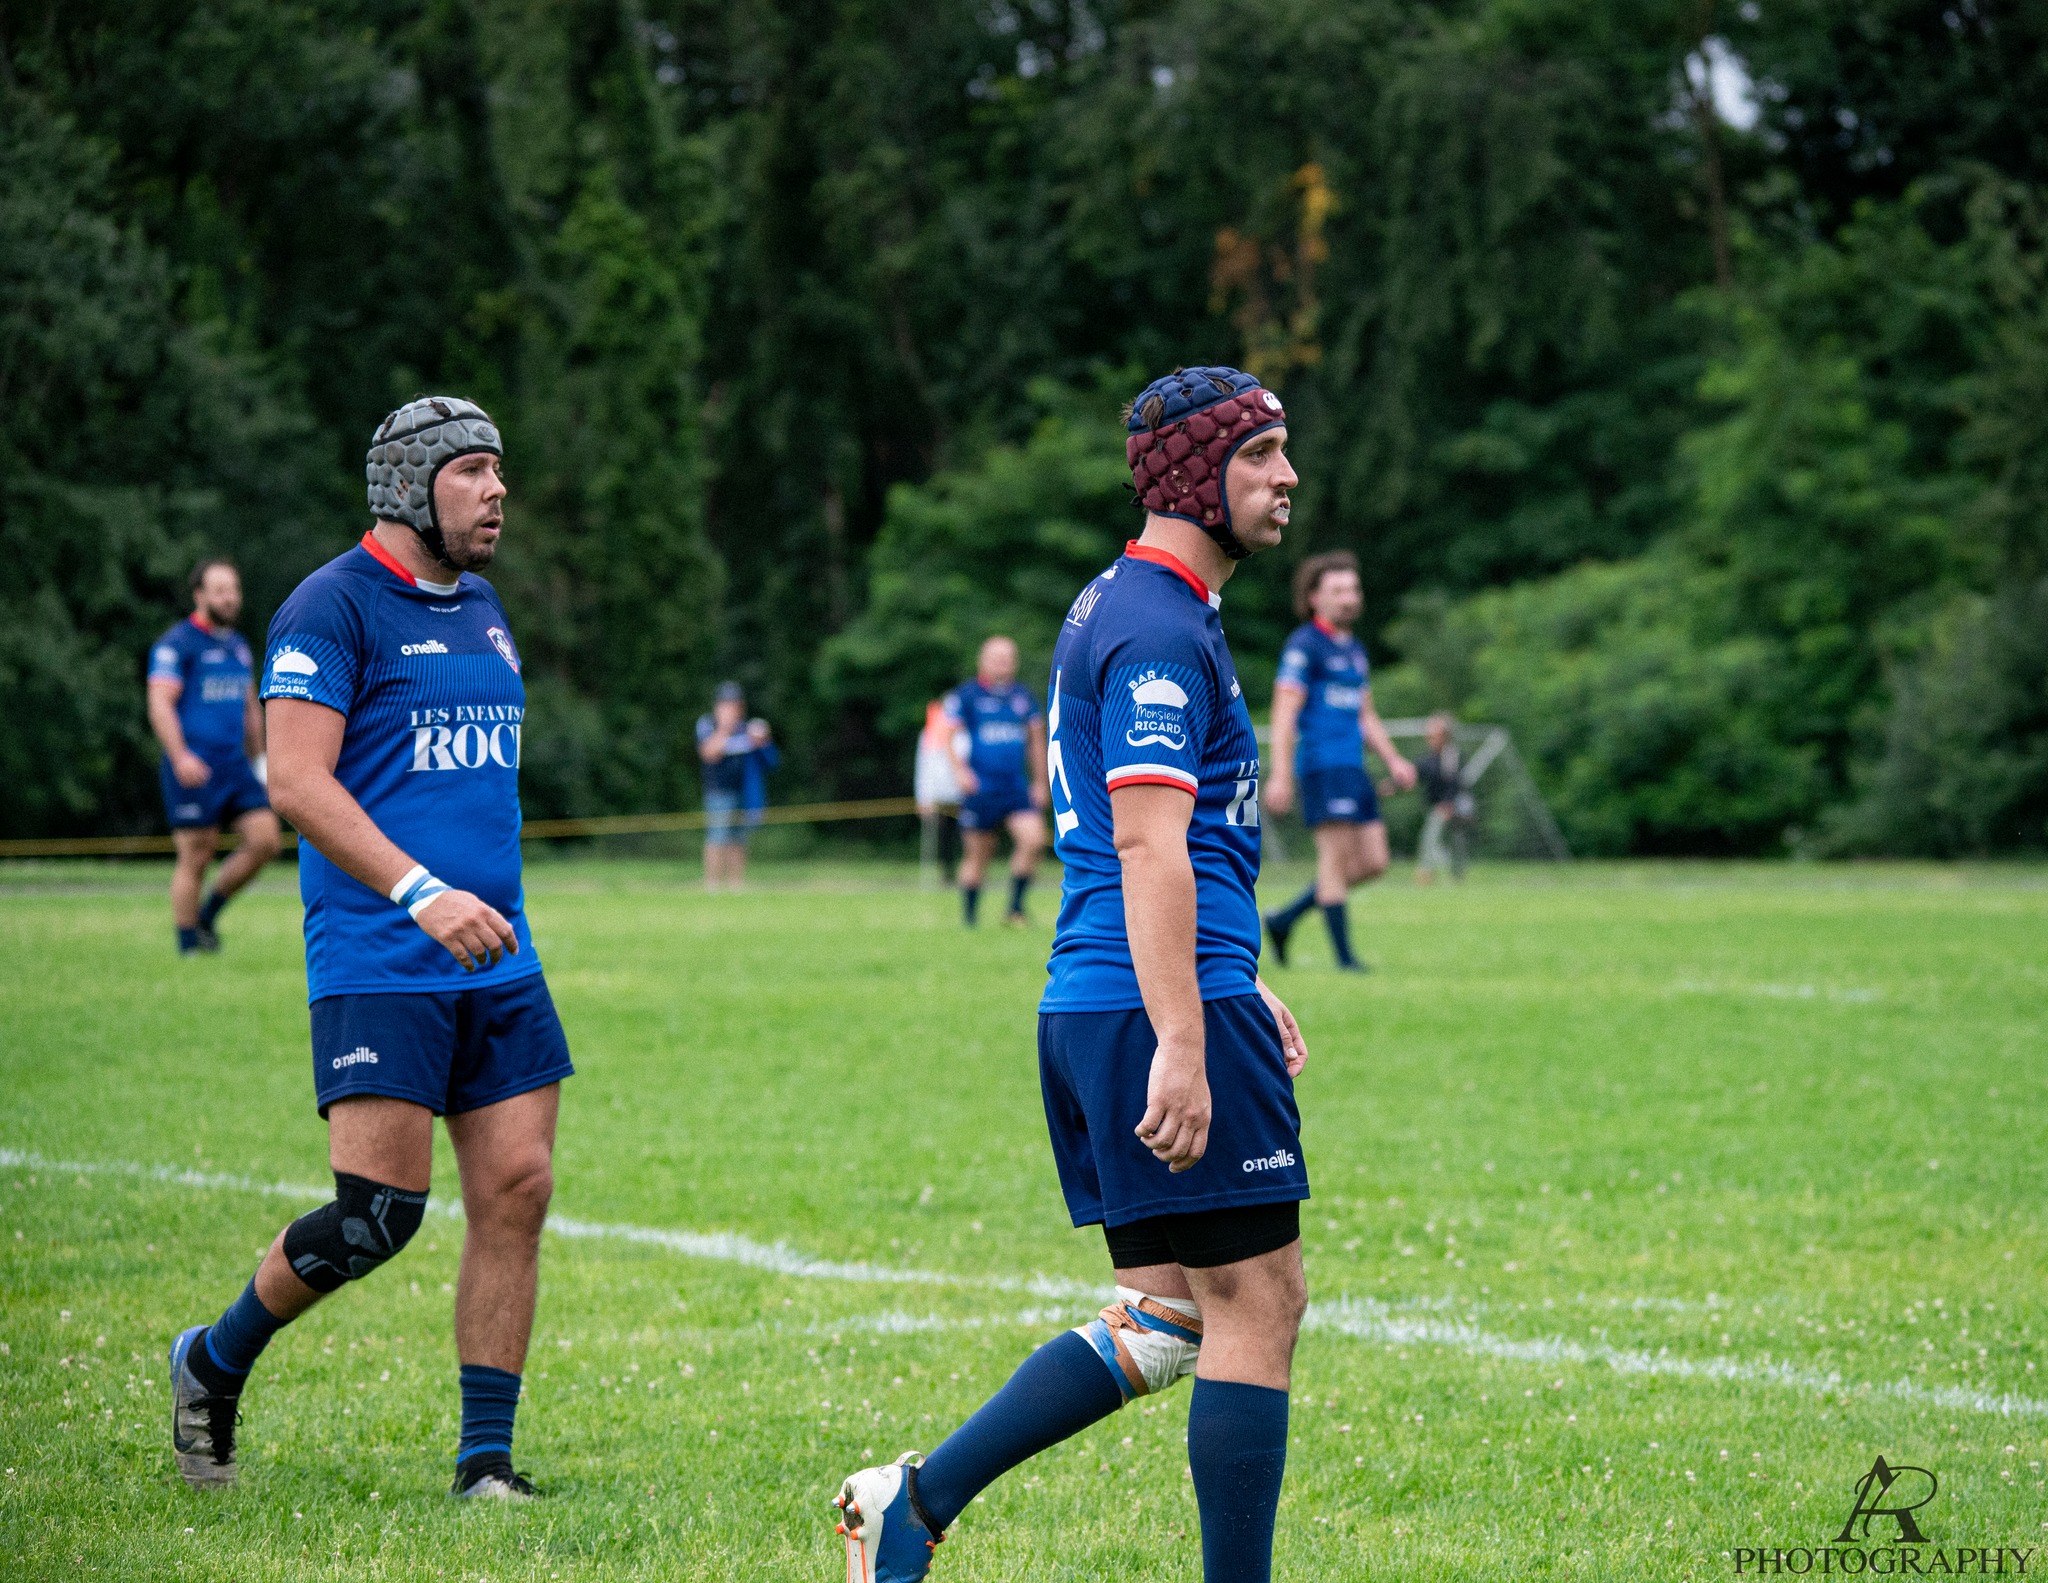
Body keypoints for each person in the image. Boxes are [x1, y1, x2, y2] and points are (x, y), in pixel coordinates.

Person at [833, 367, 1311, 1583]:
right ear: (1195, 475)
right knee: (1257, 1299)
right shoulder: (1155, 624)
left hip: (1106, 994)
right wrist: (1187, 1033)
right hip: (1151, 1005)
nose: (1286, 477)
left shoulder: (1127, 600)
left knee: (1169, 1313)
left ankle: (914, 1502)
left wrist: (1230, 976)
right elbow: (1146, 843)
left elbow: (1147, 844)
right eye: (1260, 455)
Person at [169, 397, 574, 1502]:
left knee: (519, 1187)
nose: (497, 490)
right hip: (380, 953)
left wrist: (471, 896)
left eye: (499, 469)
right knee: (376, 1216)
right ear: (408, 486)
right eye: (473, 470)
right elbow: (296, 781)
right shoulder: (328, 606)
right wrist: (421, 891)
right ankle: (212, 1360)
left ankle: (484, 1464)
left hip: (498, 954)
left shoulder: (483, 606)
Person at [1260, 550, 1416, 972]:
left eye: (1353, 589)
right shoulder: (1305, 646)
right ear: (1314, 598)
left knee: (1373, 863)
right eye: (1338, 591)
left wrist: (1394, 760)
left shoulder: (1355, 650)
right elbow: (1284, 712)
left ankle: (1284, 919)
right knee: (1334, 861)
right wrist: (1280, 775)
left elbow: (1366, 715)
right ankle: (1346, 962)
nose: (1349, 598)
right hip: (1322, 766)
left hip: (1354, 768)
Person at [146, 558, 283, 953]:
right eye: (220, 591)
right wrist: (180, 757)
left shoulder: (237, 645)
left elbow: (250, 709)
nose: (230, 598)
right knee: (197, 854)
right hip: (194, 765)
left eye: (234, 590)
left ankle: (206, 916)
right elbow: (160, 703)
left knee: (266, 841)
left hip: (234, 766)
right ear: (199, 595)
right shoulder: (177, 645)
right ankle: (188, 945)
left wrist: (261, 763)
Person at [943, 635, 1049, 925]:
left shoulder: (1022, 697)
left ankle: (1014, 910)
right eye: (997, 657)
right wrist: (960, 772)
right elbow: (947, 736)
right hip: (981, 789)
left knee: (1034, 840)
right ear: (983, 660)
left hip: (1015, 787)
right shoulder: (967, 696)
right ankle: (970, 921)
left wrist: (1040, 782)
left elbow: (1036, 740)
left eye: (1008, 658)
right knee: (979, 856)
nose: (1003, 663)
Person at [696, 682, 778, 891]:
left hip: (744, 791)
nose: (732, 709)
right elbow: (709, 753)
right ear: (718, 706)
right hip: (718, 791)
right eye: (727, 704)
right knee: (717, 837)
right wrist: (725, 728)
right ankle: (712, 885)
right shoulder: (707, 724)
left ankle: (736, 885)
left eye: (735, 705)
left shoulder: (748, 729)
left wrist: (763, 740)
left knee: (738, 838)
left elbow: (771, 761)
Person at [1414, 713, 1470, 884]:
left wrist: (1448, 803)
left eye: (1433, 735)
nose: (1428, 738)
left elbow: (1454, 782)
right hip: (1438, 805)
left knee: (1441, 837)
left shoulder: (1452, 756)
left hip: (1453, 804)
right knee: (1432, 837)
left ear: (1444, 736)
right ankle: (1429, 871)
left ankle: (1436, 871)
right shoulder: (1429, 759)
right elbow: (1416, 773)